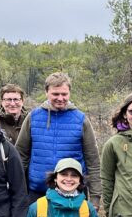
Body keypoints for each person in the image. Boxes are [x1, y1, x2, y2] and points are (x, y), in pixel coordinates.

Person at [16, 71, 101, 204]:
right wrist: (17, 191)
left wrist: (95, 197)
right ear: (46, 92)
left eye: (64, 94)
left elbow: (93, 161)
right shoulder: (33, 117)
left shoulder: (81, 120)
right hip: (38, 193)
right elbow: (21, 155)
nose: (60, 98)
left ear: (69, 93)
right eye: (55, 94)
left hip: (74, 193)